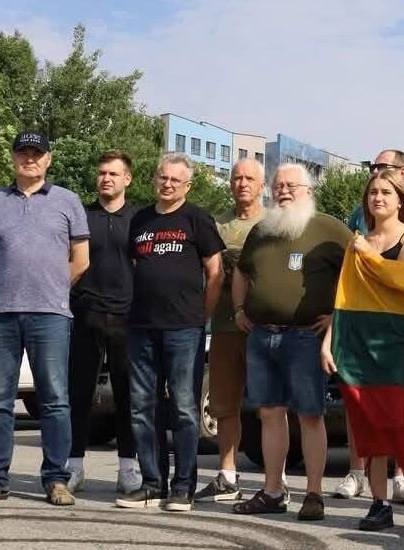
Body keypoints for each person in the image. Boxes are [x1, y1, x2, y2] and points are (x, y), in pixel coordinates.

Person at [0, 131, 90, 507]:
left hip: (50, 314)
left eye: (37, 153)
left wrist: (51, 288)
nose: (30, 158)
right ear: (13, 158)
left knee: (55, 400)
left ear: (48, 159)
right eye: (23, 152)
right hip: (0, 313)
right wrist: (7, 286)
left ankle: (56, 480)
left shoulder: (67, 201)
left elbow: (81, 260)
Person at [230, 163, 351, 521]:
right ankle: (272, 491)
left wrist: (337, 316)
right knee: (270, 413)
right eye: (278, 185)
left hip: (306, 338)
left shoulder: (328, 228)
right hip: (261, 335)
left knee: (310, 416)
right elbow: (241, 272)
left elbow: (359, 271)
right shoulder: (262, 230)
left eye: (291, 186)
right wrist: (238, 309)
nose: (282, 191)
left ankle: (313, 494)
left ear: (308, 192)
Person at [325, 169, 404, 537]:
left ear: (401, 199)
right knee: (371, 429)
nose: (378, 198)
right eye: (373, 192)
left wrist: (368, 253)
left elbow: (401, 277)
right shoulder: (358, 242)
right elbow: (345, 298)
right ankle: (379, 505)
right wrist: (328, 341)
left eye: (386, 192)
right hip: (364, 344)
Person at [115, 153, 224, 512]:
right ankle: (152, 484)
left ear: (187, 186)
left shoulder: (197, 219)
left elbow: (216, 272)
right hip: (142, 327)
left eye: (176, 180)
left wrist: (201, 316)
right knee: (142, 408)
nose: (168, 184)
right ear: (154, 179)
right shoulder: (140, 220)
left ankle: (183, 487)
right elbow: (136, 265)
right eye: (163, 177)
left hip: (183, 328)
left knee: (184, 408)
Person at [65, 150, 141, 495]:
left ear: (127, 179)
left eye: (113, 173)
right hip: (86, 313)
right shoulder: (81, 216)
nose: (106, 178)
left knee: (127, 395)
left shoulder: (140, 219)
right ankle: (74, 465)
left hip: (128, 317)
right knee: (79, 393)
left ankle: (127, 468)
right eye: (102, 173)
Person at [195, 158, 265, 502]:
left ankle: (276, 479)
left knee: (271, 406)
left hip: (265, 327)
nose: (242, 183)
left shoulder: (273, 223)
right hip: (223, 325)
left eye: (250, 178)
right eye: (237, 178)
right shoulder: (216, 224)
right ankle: (227, 474)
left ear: (262, 185)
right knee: (224, 404)